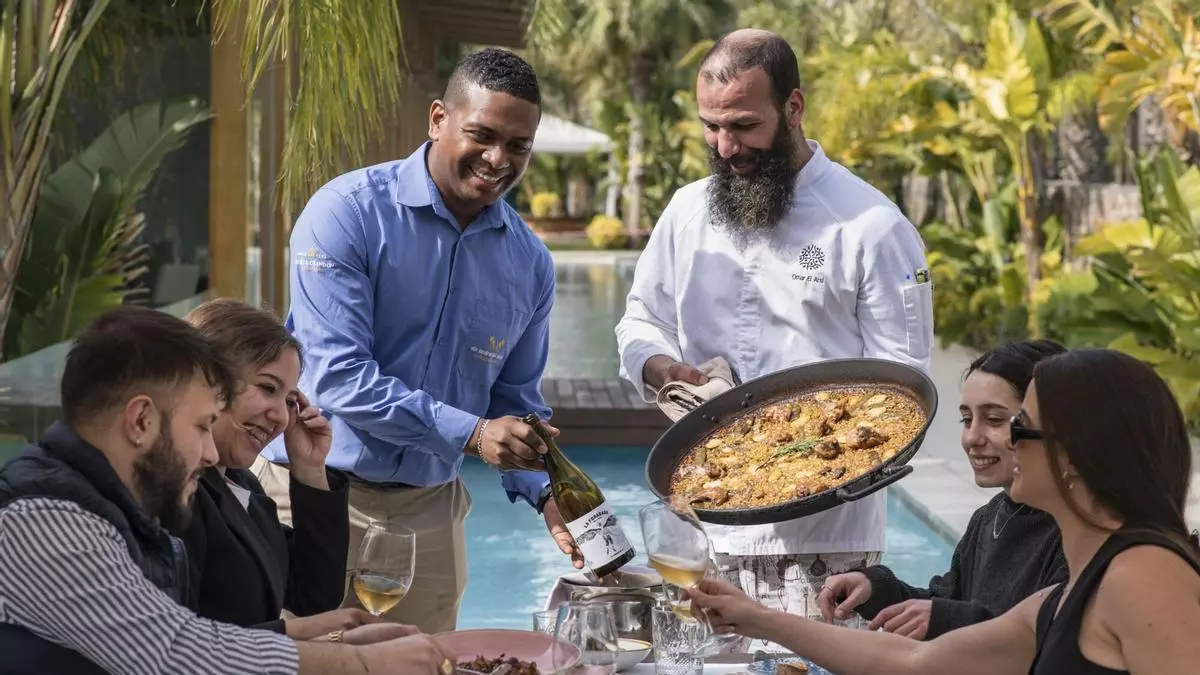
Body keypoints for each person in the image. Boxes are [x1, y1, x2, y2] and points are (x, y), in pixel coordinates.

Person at [614, 28, 934, 646]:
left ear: (793, 107)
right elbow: (639, 317)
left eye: (743, 125)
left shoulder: (871, 225)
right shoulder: (686, 211)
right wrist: (657, 365)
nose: (725, 146)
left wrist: (816, 457)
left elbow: (904, 382)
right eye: (711, 127)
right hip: (701, 521)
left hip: (823, 542)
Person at [256, 46, 579, 634]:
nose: (498, 159)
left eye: (518, 145)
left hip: (430, 518)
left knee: (431, 666)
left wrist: (546, 488)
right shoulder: (347, 214)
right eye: (482, 135)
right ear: (437, 119)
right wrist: (474, 434)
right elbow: (337, 377)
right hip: (309, 495)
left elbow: (515, 401)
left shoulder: (530, 262)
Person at [0, 306, 458, 674]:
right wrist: (361, 663)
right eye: (202, 425)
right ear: (141, 420)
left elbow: (180, 632)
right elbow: (172, 653)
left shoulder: (104, 505)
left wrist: (325, 636)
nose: (208, 453)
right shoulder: (43, 520)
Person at [690, 348, 1200, 675]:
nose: (997, 442)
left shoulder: (1143, 576)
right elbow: (917, 661)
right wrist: (757, 619)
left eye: (1017, 426)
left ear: (1073, 455)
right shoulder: (1064, 598)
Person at [819, 340, 1068, 640]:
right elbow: (945, 603)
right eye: (967, 420)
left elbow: (1043, 639)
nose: (971, 438)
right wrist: (874, 588)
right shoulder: (989, 518)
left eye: (994, 420)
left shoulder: (1076, 532)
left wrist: (945, 618)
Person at [175, 298, 365, 637]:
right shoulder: (175, 492)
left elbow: (313, 596)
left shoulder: (243, 484)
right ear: (207, 379)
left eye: (290, 401)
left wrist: (310, 469)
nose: (281, 417)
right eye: (267, 388)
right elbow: (183, 642)